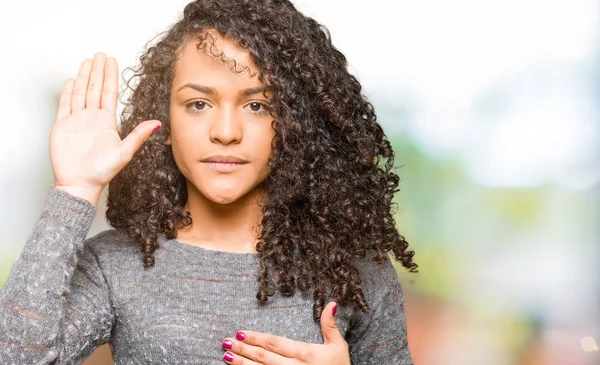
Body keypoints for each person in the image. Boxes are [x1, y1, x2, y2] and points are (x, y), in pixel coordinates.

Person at [0, 0, 418, 363]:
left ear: (296, 122)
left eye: (257, 105)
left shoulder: (357, 271)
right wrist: (74, 190)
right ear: (165, 117)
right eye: (198, 103)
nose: (225, 131)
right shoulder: (115, 264)